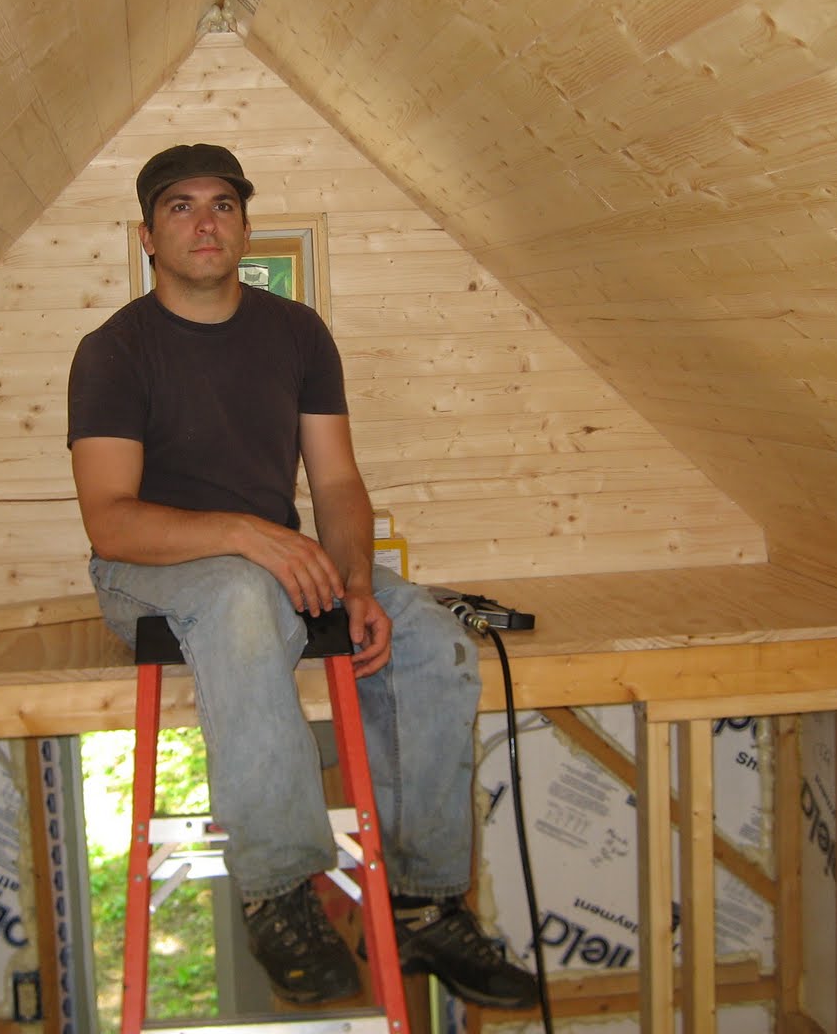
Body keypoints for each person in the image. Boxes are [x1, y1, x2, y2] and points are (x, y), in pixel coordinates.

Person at [67, 143, 538, 1008]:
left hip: (270, 559)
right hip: (149, 572)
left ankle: (422, 904)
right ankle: (279, 893)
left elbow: (336, 483)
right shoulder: (114, 351)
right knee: (247, 600)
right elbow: (112, 519)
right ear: (147, 234)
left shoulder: (297, 333)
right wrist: (249, 535)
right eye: (181, 207)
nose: (204, 222)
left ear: (245, 226)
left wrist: (357, 585)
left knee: (437, 638)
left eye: (222, 205)